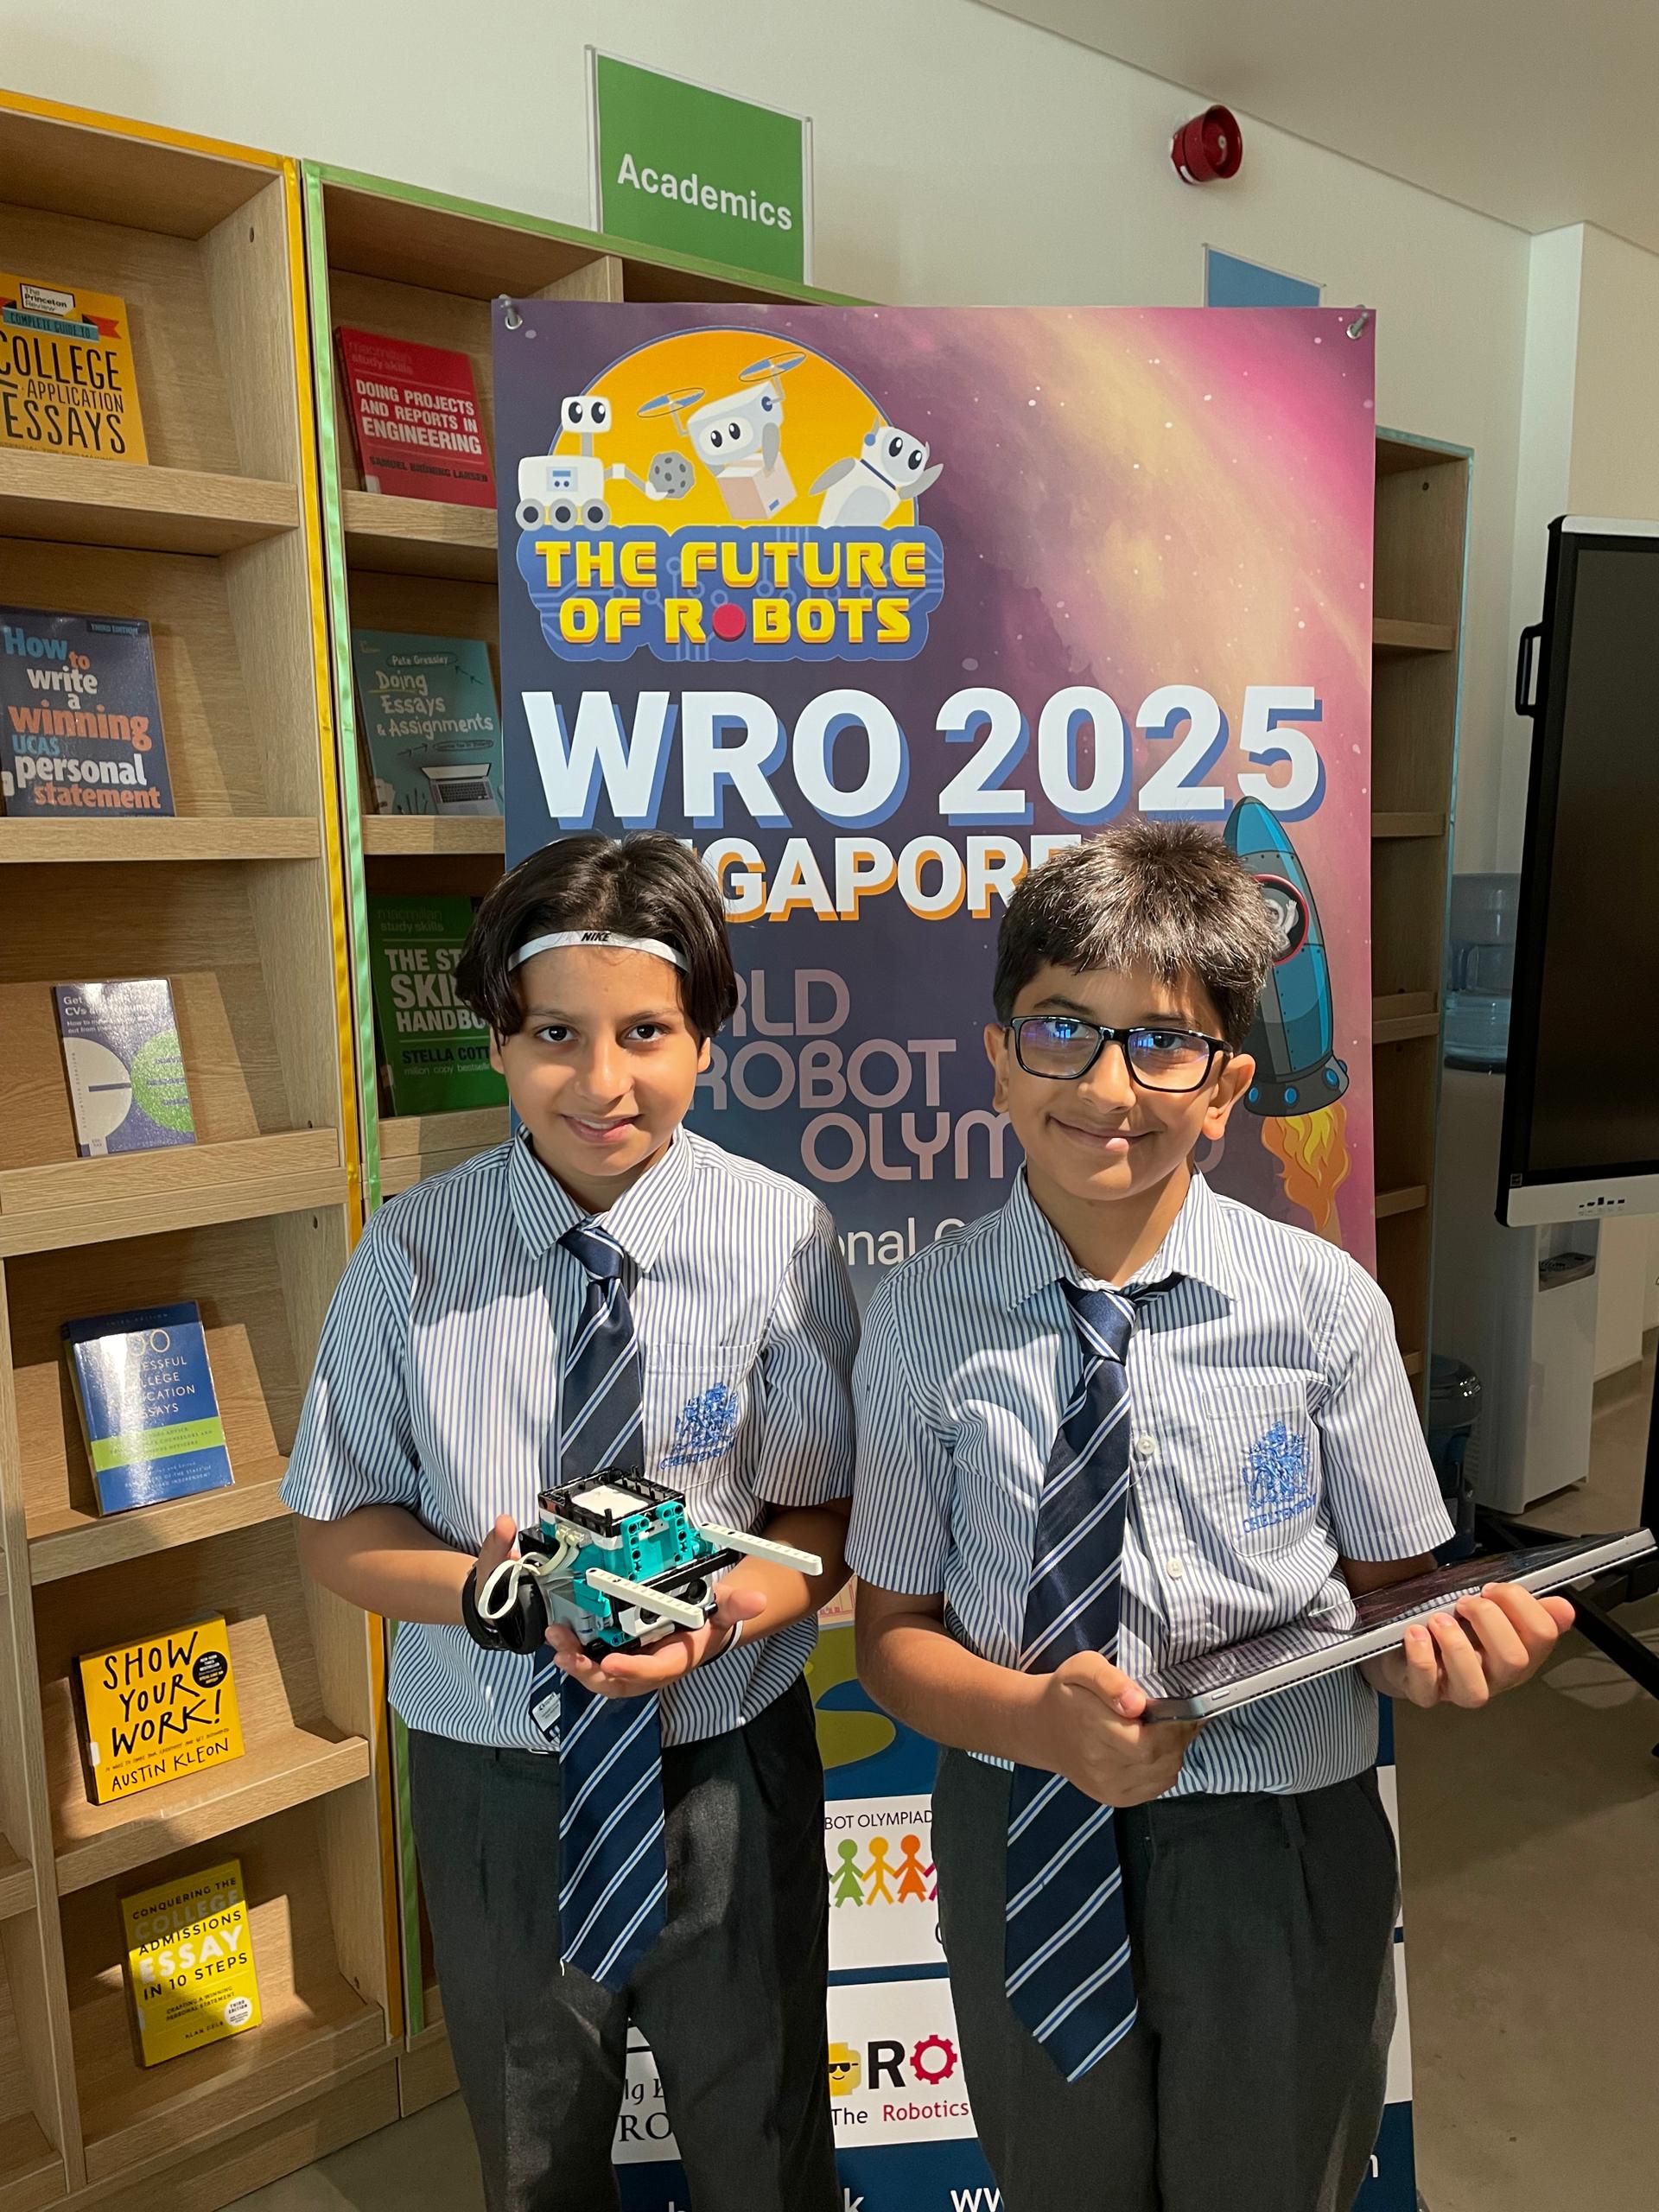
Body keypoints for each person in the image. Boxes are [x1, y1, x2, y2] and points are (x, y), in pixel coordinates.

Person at [847, 822, 1572, 2212]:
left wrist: (1443, 1648)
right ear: (998, 1055)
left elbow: (1392, 1591)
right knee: (1062, 2181)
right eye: (1062, 1030)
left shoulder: (1322, 1304)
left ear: (1229, 1085)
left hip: (1278, 1840)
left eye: (1165, 1044)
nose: (1108, 1085)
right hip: (1023, 1824)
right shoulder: (922, 1319)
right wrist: (1036, 1721)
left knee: (1274, 2176)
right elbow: (893, 1637)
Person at [283, 832, 858, 2212]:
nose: (602, 1083)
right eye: (555, 1034)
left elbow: (817, 1517)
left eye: (646, 1032)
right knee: (533, 2146)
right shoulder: (411, 1253)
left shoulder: (780, 1235)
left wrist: (721, 1619)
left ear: (706, 1036)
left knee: (766, 2131)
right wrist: (494, 1598)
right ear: (498, 1041)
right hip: (499, 1779)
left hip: (727, 1760)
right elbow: (336, 1527)